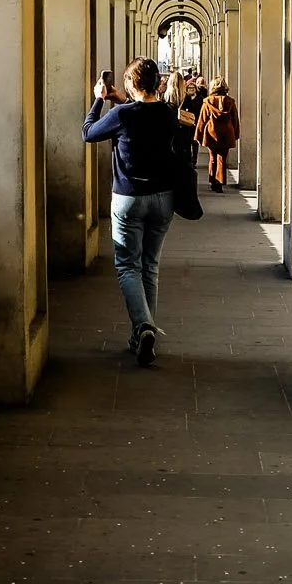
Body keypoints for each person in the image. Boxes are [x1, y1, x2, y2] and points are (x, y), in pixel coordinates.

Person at [83, 56, 191, 364]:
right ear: (158, 83)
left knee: (127, 265)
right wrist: (120, 100)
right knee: (150, 265)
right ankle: (144, 335)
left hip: (129, 198)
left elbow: (88, 132)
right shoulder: (170, 114)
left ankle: (144, 327)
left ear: (131, 83)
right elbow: (145, 113)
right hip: (163, 200)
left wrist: (98, 100)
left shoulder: (122, 115)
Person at [196, 79, 241, 193]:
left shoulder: (207, 102)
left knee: (212, 158)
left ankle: (213, 181)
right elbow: (235, 119)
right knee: (222, 158)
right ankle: (220, 182)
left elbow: (202, 119)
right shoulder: (230, 102)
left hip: (211, 133)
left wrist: (198, 135)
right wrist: (236, 133)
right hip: (226, 133)